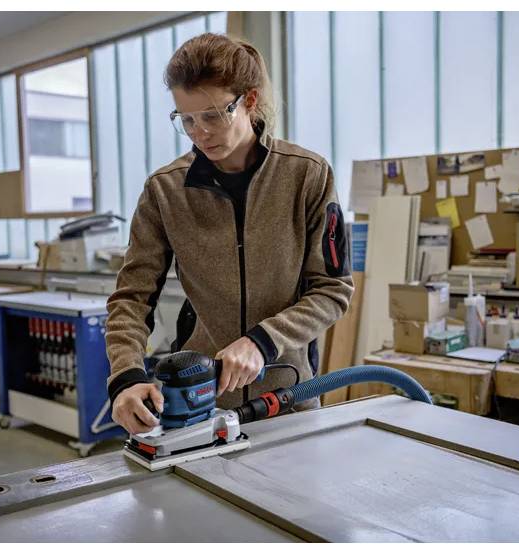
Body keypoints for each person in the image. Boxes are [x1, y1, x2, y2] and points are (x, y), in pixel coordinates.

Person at [106, 32, 354, 435]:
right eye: (185, 120)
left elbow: (333, 289)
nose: (199, 133)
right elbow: (131, 297)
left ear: (249, 101)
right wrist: (126, 378)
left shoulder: (307, 175)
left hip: (288, 395)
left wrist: (263, 341)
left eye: (212, 115)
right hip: (198, 402)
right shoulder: (165, 190)